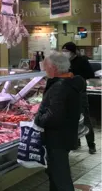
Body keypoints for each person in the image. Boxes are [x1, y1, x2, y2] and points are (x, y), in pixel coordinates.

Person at [35, 51, 86, 191]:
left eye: (46, 67)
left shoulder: (60, 86)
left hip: (57, 138)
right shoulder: (72, 82)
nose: (44, 71)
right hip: (66, 135)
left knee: (61, 178)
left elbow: (53, 115)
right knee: (55, 174)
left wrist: (38, 119)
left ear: (54, 68)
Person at [62, 42, 96, 154]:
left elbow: (90, 74)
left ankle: (91, 144)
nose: (64, 53)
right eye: (63, 51)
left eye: (66, 51)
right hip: (67, 93)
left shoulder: (82, 61)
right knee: (72, 118)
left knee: (85, 119)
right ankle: (75, 142)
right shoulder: (65, 62)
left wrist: (76, 76)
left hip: (80, 93)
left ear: (73, 52)